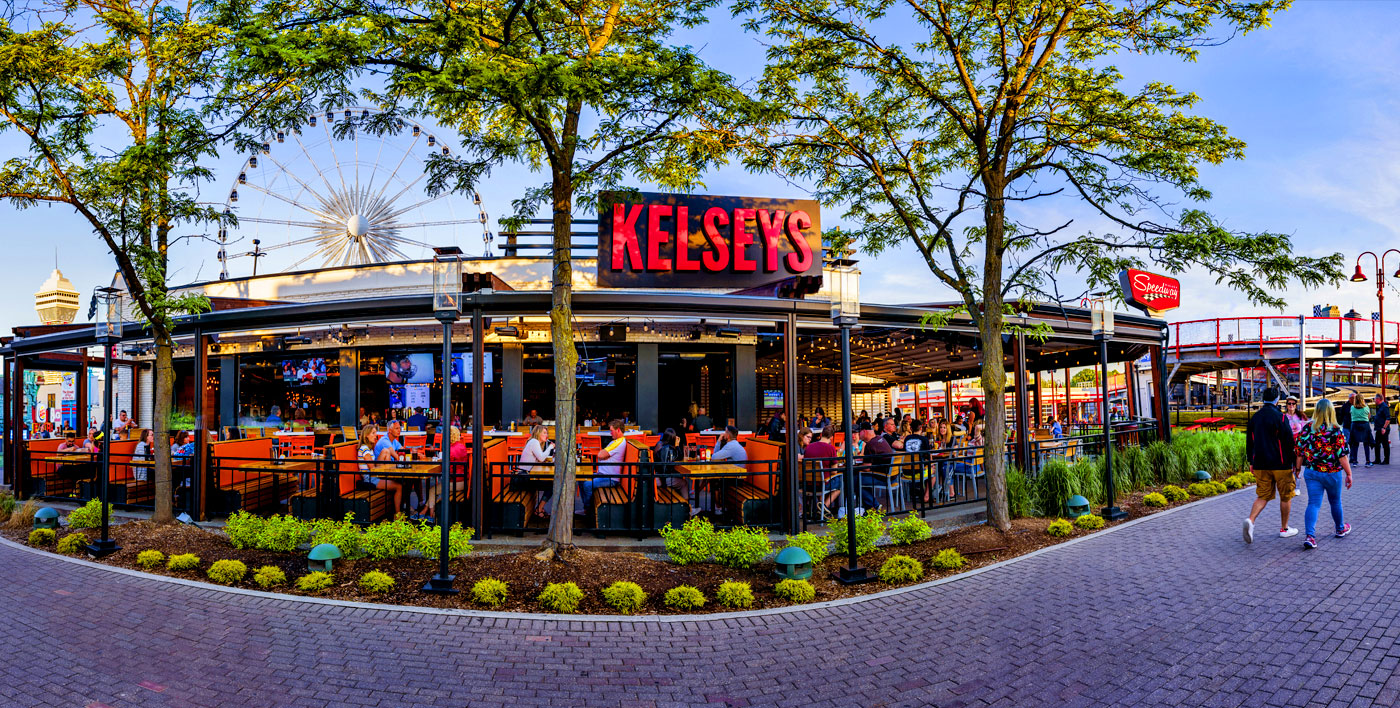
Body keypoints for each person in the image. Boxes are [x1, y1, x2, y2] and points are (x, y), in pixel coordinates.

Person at [1294, 397, 1353, 549]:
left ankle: (1310, 536)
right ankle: (1340, 528)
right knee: (1335, 501)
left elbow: (1299, 452)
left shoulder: (1308, 428)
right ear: (1331, 412)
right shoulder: (1336, 430)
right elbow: (1342, 456)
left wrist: (1298, 469)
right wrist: (1349, 474)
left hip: (1313, 472)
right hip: (1332, 473)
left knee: (1313, 504)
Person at [1243, 387, 1299, 543]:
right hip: (1281, 464)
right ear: (1277, 400)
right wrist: (1295, 463)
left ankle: (1251, 521)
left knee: (1263, 495)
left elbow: (1249, 442)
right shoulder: (1280, 418)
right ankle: (1284, 528)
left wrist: (1251, 462)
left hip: (1260, 463)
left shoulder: (1255, 418)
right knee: (1286, 496)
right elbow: (1289, 442)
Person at [357, 424, 406, 516]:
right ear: (367, 435)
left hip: (373, 476)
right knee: (399, 486)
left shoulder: (369, 448)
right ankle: (398, 515)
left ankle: (400, 511)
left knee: (385, 451)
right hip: (370, 479)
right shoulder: (365, 449)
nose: (376, 435)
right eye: (373, 433)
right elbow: (372, 469)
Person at [582, 420, 627, 510]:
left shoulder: (618, 442)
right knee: (581, 479)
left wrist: (603, 455)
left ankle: (588, 509)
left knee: (587, 484)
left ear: (618, 430)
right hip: (603, 475)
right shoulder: (616, 441)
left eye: (611, 431)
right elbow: (603, 455)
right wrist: (604, 455)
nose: (610, 433)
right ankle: (586, 508)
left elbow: (600, 455)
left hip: (611, 478)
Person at [516, 424, 554, 516]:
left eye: (547, 433)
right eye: (544, 433)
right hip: (523, 478)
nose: (547, 435)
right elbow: (541, 458)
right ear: (538, 433)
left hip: (526, 475)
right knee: (551, 485)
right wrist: (550, 447)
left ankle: (539, 508)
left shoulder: (534, 442)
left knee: (551, 483)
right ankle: (539, 509)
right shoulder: (534, 442)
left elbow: (539, 459)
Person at [1348, 393, 1373, 468]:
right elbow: (1369, 416)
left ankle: (1355, 461)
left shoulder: (1352, 407)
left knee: (1355, 444)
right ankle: (1367, 461)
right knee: (1366, 444)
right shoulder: (1366, 407)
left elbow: (1351, 415)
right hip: (1365, 425)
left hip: (1355, 425)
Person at [1372, 394, 1391, 466]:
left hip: (1383, 429)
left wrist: (1384, 428)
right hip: (1379, 428)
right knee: (1377, 444)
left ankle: (1386, 460)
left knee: (1385, 444)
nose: (1374, 400)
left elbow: (1388, 419)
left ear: (1378, 399)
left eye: (1374, 399)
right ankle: (1377, 459)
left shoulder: (1384, 407)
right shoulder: (1380, 407)